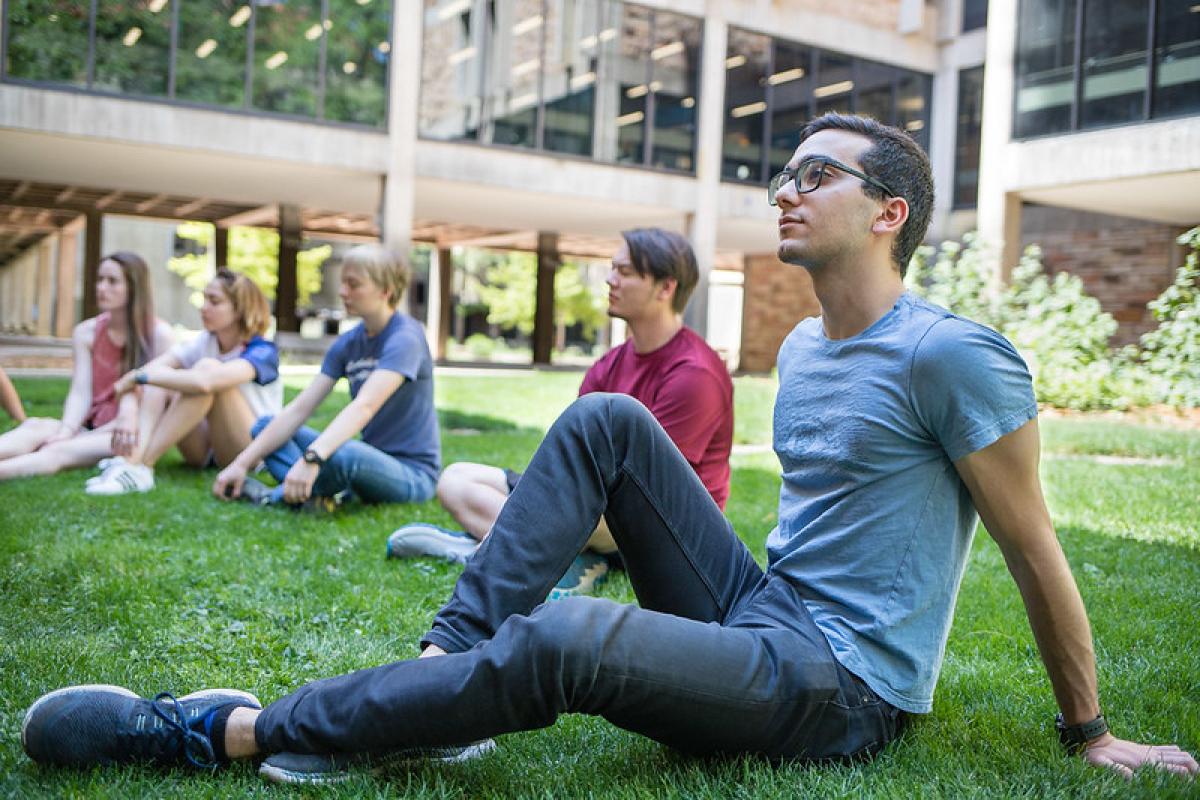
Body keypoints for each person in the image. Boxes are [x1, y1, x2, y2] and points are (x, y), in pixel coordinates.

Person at [21, 115, 1198, 785]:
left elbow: (1036, 545)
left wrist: (1091, 735)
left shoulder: (953, 355)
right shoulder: (806, 354)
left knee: (572, 631)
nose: (786, 188)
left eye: (817, 174)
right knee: (602, 422)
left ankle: (216, 729)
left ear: (891, 212)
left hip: (842, 687)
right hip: (765, 607)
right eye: (782, 171)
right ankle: (448, 671)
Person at [388, 227, 734, 599]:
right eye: (612, 268)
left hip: (658, 522)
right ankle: (530, 552)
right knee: (456, 479)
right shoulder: (609, 364)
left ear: (665, 288)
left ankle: (497, 547)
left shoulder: (693, 374)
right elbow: (574, 452)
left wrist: (557, 503)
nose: (610, 279)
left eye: (626, 272)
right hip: (592, 502)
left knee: (567, 510)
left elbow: (656, 493)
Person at [211, 244, 439, 510]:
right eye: (343, 282)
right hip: (366, 462)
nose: (342, 292)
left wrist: (313, 458)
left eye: (353, 284)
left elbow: (364, 406)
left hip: (412, 475)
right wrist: (240, 464)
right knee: (265, 426)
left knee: (343, 454)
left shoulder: (405, 338)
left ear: (385, 290)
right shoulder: (349, 343)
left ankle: (273, 497)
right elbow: (299, 409)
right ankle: (310, 495)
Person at [84, 269, 282, 495]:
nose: (203, 307)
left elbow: (204, 382)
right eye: (204, 298)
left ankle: (142, 466)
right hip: (204, 451)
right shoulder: (204, 342)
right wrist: (128, 407)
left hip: (250, 451)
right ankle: (132, 461)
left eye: (214, 301)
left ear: (239, 309)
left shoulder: (263, 351)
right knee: (166, 379)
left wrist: (140, 377)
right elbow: (147, 373)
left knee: (205, 370)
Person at [0, 252, 171, 482]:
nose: (102, 287)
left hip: (128, 433)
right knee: (35, 427)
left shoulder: (159, 336)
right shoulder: (86, 332)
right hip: (91, 426)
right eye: (99, 280)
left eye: (112, 281)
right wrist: (66, 430)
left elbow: (153, 405)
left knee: (56, 451)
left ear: (134, 287)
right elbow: (81, 392)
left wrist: (70, 440)